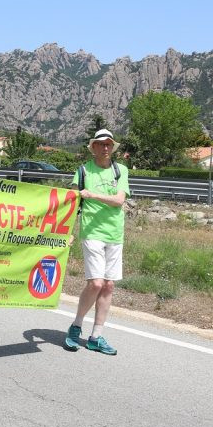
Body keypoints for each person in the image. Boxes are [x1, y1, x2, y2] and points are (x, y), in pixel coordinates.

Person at [64, 128, 130, 356]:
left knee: (109, 285)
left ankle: (96, 336)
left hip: (115, 234)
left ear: (112, 148)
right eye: (101, 144)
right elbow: (72, 203)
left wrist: (93, 195)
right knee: (96, 283)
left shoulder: (121, 171)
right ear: (92, 147)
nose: (105, 148)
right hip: (91, 233)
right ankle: (76, 326)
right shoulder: (83, 171)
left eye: (109, 144)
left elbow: (119, 200)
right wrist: (68, 231)